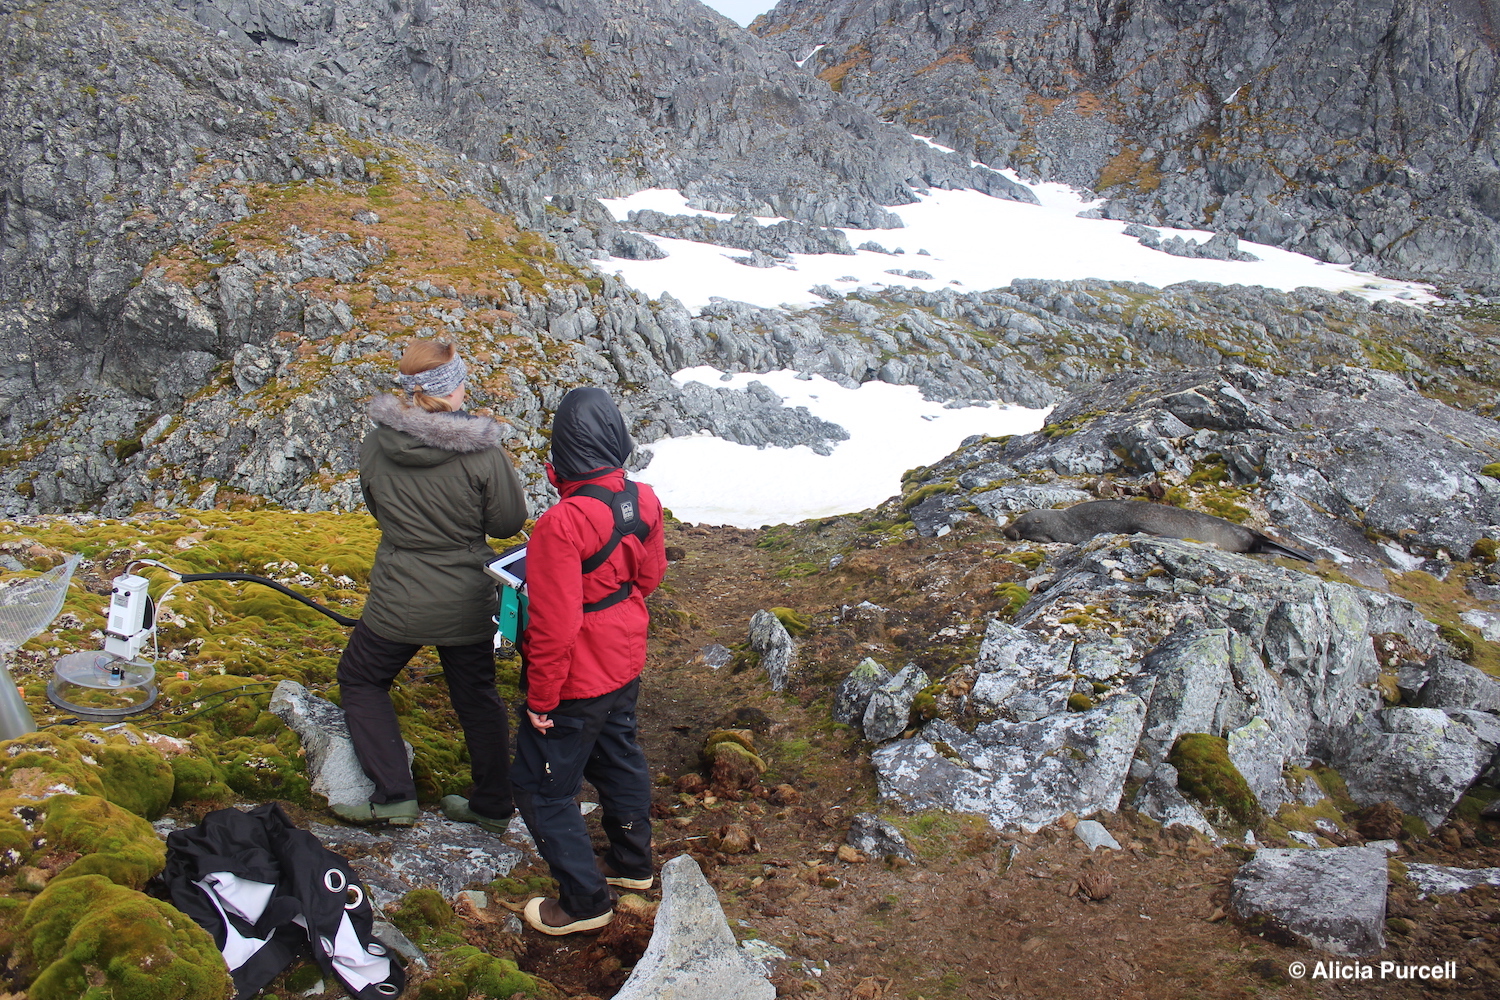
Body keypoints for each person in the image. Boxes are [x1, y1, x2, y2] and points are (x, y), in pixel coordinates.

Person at [332, 339, 526, 830]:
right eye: (461, 378)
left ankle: (395, 795)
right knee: (477, 696)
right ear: (452, 389)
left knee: (362, 678)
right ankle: (493, 804)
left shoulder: (377, 443)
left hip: (398, 593)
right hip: (463, 597)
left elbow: (378, 509)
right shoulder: (483, 451)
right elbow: (507, 523)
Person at [513, 387, 667, 935]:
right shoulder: (643, 498)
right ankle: (632, 865)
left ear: (563, 453)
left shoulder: (562, 522)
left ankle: (583, 903)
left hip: (578, 676)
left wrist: (540, 699)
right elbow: (648, 579)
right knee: (618, 753)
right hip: (624, 658)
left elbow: (555, 627)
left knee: (541, 788)